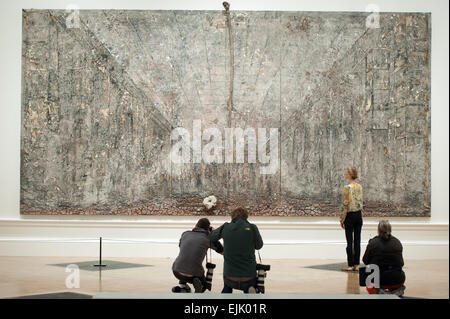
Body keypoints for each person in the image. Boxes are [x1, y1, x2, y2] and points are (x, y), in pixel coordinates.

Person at [208, 207, 264, 294]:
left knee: (227, 287)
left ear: (232, 216)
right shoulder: (252, 228)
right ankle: (251, 291)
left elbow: (211, 237)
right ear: (246, 216)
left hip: (229, 277)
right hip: (249, 276)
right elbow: (259, 246)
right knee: (249, 287)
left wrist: (213, 231)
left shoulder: (225, 227)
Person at [172, 218, 223, 293]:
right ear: (208, 229)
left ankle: (183, 288)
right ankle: (198, 285)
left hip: (176, 271)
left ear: (196, 225)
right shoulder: (208, 238)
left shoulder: (185, 233)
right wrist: (213, 234)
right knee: (203, 286)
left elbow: (181, 246)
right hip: (194, 273)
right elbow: (222, 251)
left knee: (186, 258)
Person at [362, 220, 406, 295]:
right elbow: (401, 263)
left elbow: (365, 260)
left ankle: (379, 291)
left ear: (378, 230)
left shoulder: (373, 243)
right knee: (395, 277)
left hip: (379, 280)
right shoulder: (397, 242)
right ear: (390, 230)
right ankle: (396, 290)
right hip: (397, 279)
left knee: (368, 282)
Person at [339, 166, 364, 272]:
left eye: (346, 172)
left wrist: (342, 219)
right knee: (357, 241)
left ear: (350, 174)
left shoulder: (347, 188)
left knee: (350, 241)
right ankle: (357, 264)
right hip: (359, 215)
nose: (345, 173)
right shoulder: (359, 186)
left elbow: (345, 204)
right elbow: (360, 202)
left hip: (350, 216)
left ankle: (350, 265)